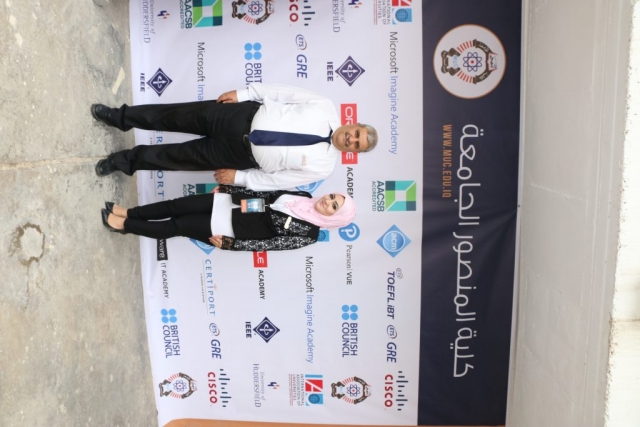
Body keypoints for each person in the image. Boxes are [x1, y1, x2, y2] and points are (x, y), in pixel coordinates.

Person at [92, 83, 378, 190]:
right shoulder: (324, 106)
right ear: (354, 124)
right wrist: (244, 94)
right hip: (238, 116)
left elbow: (280, 180)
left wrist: (240, 178)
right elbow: (282, 93)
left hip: (238, 156)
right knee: (173, 115)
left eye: (357, 145)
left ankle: (122, 162)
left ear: (354, 152)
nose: (351, 140)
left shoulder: (324, 167)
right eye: (357, 134)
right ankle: (118, 117)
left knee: (173, 157)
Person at [100, 185, 356, 251]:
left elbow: (270, 244)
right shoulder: (305, 195)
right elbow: (266, 194)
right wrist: (230, 189)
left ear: (335, 218)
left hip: (231, 227)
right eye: (332, 196)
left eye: (334, 206)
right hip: (230, 202)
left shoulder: (309, 234)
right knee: (174, 206)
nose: (327, 201)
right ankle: (129, 212)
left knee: (176, 226)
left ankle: (125, 225)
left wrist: (232, 244)